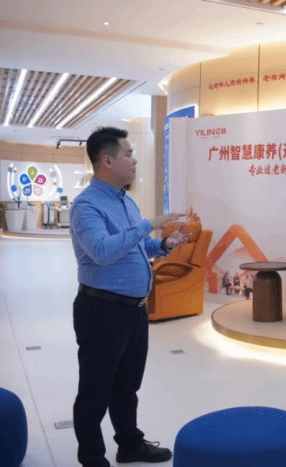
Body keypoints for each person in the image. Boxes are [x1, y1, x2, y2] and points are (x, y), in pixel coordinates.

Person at [70, 126, 189, 467]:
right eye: (129, 154)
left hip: (134, 310)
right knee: (95, 390)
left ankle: (130, 445)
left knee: (127, 386)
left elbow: (136, 247)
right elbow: (102, 251)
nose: (135, 160)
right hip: (101, 309)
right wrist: (147, 224)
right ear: (107, 161)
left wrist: (163, 244)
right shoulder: (86, 206)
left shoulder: (126, 201)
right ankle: (92, 458)